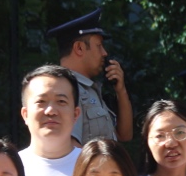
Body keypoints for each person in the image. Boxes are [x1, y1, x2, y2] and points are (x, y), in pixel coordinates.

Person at [48, 8, 133, 142]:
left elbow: (125, 135)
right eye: (99, 45)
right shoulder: (67, 90)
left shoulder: (88, 89)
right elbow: (70, 146)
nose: (104, 53)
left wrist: (121, 91)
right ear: (79, 48)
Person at [15, 65, 83, 176]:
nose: (51, 111)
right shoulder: (7, 169)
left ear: (76, 114)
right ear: (25, 114)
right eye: (41, 102)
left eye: (61, 102)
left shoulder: (94, 168)